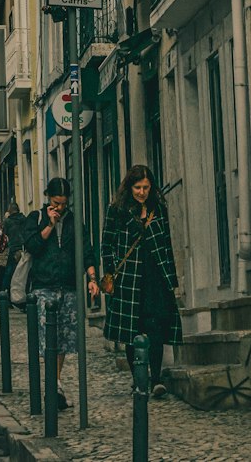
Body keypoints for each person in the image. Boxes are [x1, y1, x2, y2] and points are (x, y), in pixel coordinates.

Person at [101, 165, 181, 399]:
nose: (142, 192)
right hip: (128, 278)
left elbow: (167, 243)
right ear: (129, 187)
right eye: (138, 187)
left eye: (146, 187)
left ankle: (156, 379)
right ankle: (139, 379)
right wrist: (111, 273)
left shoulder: (158, 207)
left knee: (156, 328)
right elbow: (107, 244)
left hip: (155, 277)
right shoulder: (117, 209)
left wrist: (171, 277)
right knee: (131, 332)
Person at [24, 176, 100, 411]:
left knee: (63, 341)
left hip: (68, 287)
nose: (59, 207)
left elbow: (86, 250)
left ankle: (54, 384)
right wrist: (49, 224)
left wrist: (92, 278)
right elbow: (32, 246)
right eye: (56, 203)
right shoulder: (35, 219)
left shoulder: (74, 221)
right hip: (43, 285)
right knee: (47, 339)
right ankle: (53, 385)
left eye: (63, 204)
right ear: (48, 198)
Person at [0, 201, 26, 296]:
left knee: (9, 273)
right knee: (25, 272)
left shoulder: (8, 221)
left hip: (13, 248)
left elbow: (4, 234)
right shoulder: (24, 219)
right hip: (25, 248)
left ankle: (5, 295)